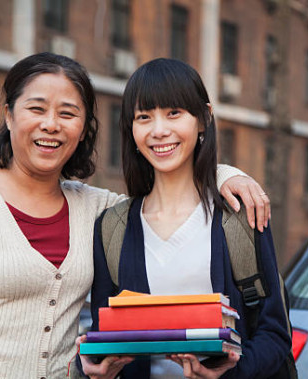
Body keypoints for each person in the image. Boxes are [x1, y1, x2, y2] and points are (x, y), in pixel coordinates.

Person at [0, 52, 272, 378]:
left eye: (68, 113)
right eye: (36, 109)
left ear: (85, 128)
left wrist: (225, 174)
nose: (51, 125)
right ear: (9, 115)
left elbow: (168, 191)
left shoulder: (96, 209)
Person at [79, 58, 292, 379]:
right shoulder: (111, 228)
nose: (159, 130)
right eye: (144, 117)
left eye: (174, 113)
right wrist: (98, 369)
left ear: (203, 119)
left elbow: (275, 334)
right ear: (131, 130)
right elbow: (106, 333)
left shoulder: (240, 215)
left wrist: (229, 374)